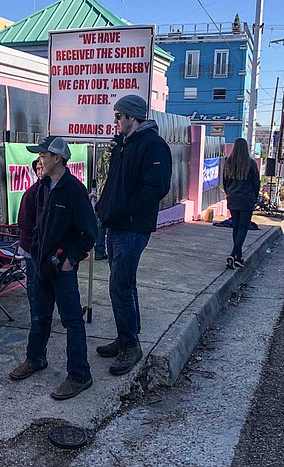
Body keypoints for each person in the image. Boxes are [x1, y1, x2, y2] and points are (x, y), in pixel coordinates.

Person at [9, 136, 97, 400]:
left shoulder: (74, 190)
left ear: (57, 158)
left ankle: (80, 375)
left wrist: (70, 259)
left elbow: (89, 232)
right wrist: (36, 254)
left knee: (72, 321)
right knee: (39, 314)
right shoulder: (42, 188)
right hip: (41, 265)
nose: (39, 160)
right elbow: (35, 227)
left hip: (63, 269)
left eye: (43, 155)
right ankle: (35, 359)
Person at [95, 94, 172, 376]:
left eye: (118, 116)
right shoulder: (123, 145)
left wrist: (123, 210)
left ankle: (131, 345)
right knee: (123, 284)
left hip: (132, 227)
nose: (115, 121)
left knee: (120, 285)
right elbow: (113, 184)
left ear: (132, 117)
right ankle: (125, 336)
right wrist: (105, 207)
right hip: (115, 224)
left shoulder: (153, 145)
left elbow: (156, 188)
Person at [222, 137, 260, 269]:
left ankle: (238, 256)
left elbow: (225, 182)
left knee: (236, 227)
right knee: (243, 228)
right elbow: (256, 183)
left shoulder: (228, 162)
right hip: (247, 199)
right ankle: (234, 254)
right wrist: (255, 198)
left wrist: (229, 194)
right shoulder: (251, 163)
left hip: (233, 198)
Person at [17, 159, 44, 312]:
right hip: (32, 247)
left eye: (42, 167)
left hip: (49, 247)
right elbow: (24, 222)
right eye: (38, 168)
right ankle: (36, 313)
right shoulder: (31, 193)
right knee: (33, 282)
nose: (40, 171)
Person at [89, 145, 113, 260]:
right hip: (110, 195)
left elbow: (99, 176)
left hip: (100, 195)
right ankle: (102, 250)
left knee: (100, 224)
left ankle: (99, 250)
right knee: (110, 226)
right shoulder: (114, 160)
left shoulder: (101, 161)